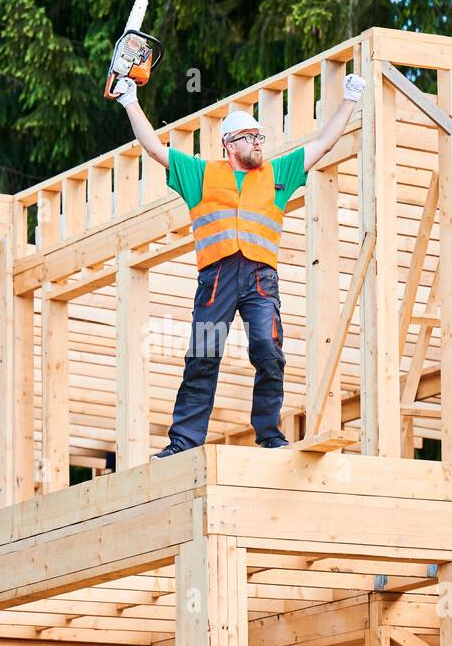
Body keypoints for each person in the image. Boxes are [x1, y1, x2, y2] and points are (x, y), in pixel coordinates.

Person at [112, 70, 365, 457]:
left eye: (261, 137)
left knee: (268, 348)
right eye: (251, 137)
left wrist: (350, 99)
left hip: (261, 279)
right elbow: (154, 148)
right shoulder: (201, 174)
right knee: (204, 356)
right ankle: (183, 443)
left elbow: (324, 144)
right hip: (216, 280)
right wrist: (130, 101)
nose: (259, 143)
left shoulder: (279, 173)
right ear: (230, 143)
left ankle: (269, 434)